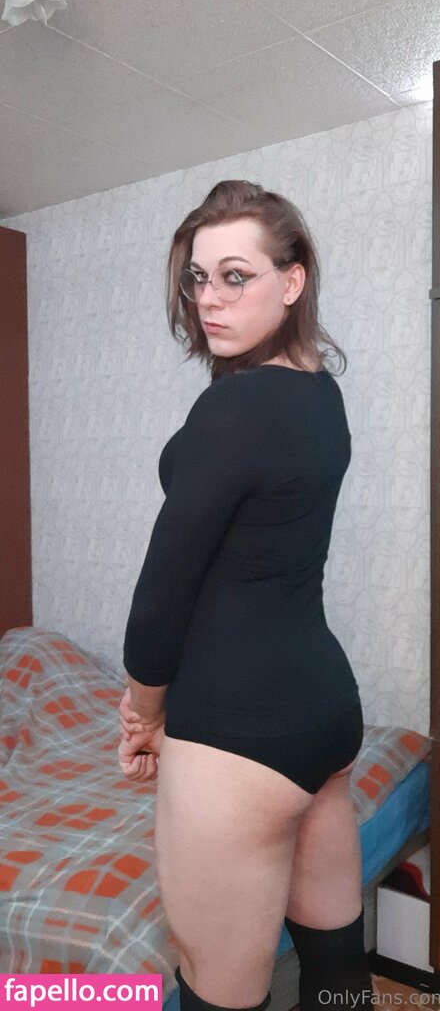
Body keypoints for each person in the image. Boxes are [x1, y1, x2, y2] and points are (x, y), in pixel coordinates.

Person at [117, 180, 375, 1011]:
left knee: (218, 994)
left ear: (291, 281)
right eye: (198, 278)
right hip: (323, 709)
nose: (208, 299)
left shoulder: (234, 407)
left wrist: (143, 711)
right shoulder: (319, 392)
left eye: (236, 276)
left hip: (237, 732)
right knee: (335, 967)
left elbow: (163, 591)